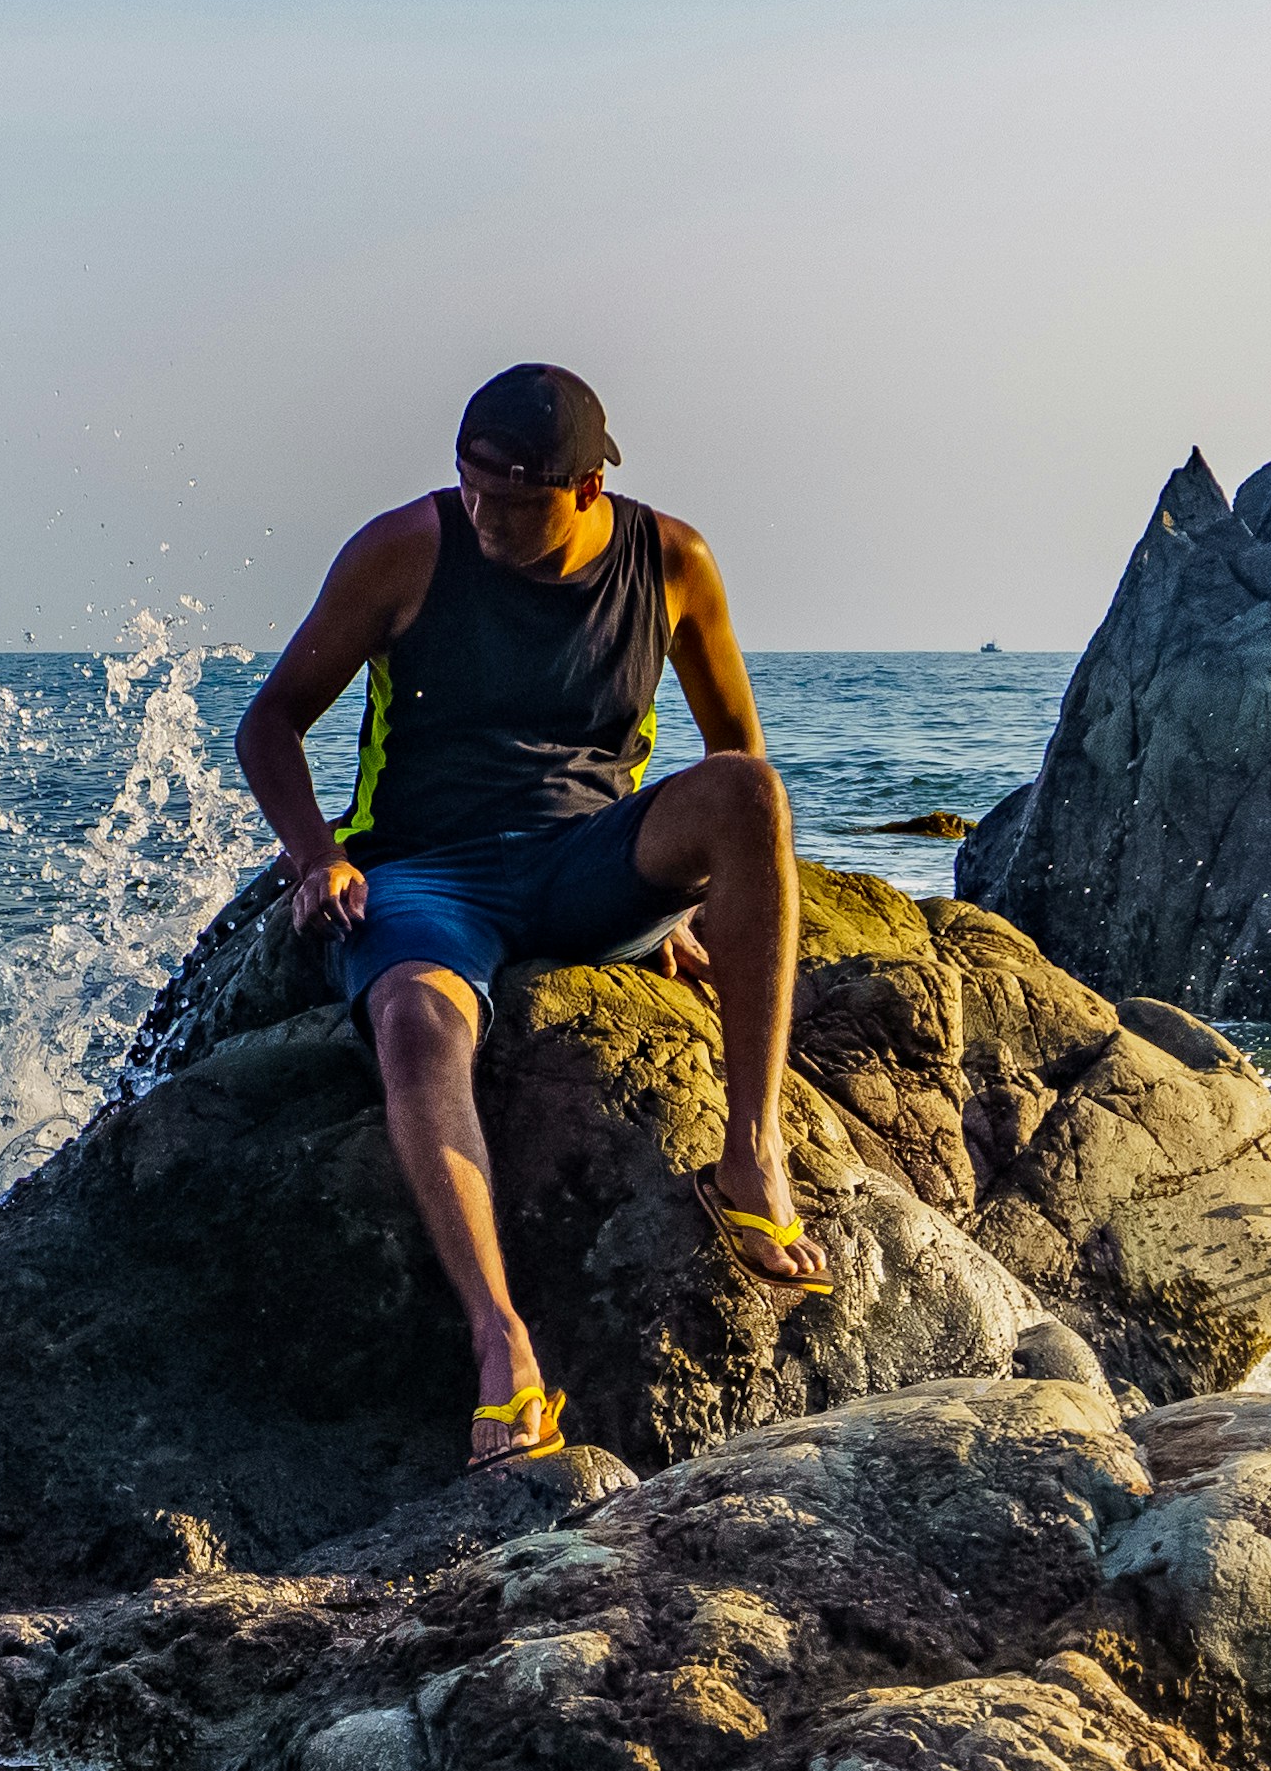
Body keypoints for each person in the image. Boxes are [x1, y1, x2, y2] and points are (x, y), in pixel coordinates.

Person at [237, 361, 828, 1470]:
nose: (488, 521)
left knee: (754, 795)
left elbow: (730, 756)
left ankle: (752, 1157)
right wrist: (315, 856)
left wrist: (679, 914)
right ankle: (500, 1342)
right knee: (414, 1020)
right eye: (473, 493)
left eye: (515, 504)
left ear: (589, 489)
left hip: (584, 863)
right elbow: (271, 722)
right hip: (422, 876)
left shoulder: (673, 564)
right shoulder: (402, 551)